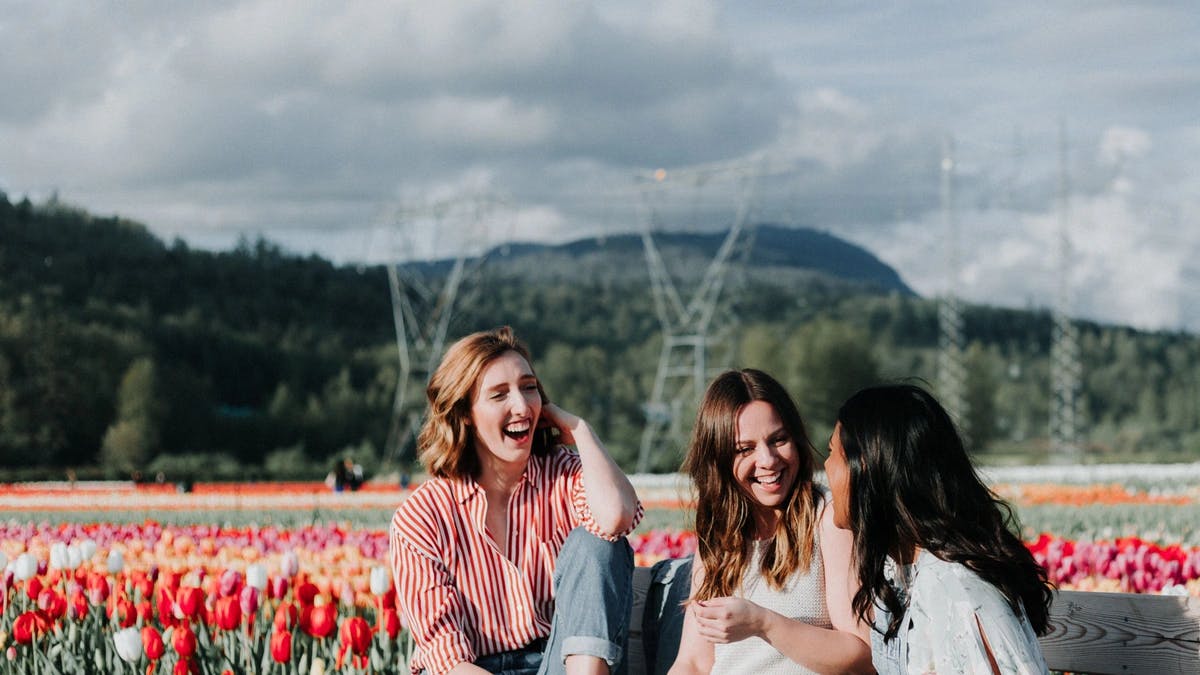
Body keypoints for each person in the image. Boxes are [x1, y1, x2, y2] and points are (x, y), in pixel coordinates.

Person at [389, 326, 643, 675]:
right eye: (499, 395)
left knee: (596, 541)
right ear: (464, 412)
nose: (522, 406)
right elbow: (447, 661)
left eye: (529, 388)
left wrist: (581, 430)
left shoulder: (563, 476)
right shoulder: (423, 516)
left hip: (565, 662)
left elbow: (615, 517)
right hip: (477, 669)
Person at [825, 384, 1053, 674]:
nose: (826, 466)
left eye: (832, 452)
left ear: (867, 468)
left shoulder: (954, 592)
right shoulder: (901, 572)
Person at [669, 369, 872, 675]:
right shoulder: (718, 535)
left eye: (778, 440)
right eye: (744, 449)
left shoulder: (827, 518)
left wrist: (762, 623)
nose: (767, 460)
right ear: (719, 459)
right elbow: (694, 662)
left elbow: (861, 655)